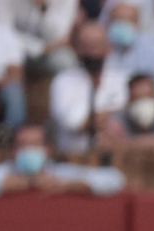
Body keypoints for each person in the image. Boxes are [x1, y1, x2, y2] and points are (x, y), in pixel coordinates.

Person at [0, 123, 127, 195]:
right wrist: (31, 182)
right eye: (22, 144)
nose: (29, 149)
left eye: (35, 144)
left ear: (48, 149)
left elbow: (115, 179)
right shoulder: (5, 170)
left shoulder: (61, 173)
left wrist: (68, 186)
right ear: (13, 151)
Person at [49, 20, 128, 155]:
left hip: (114, 156)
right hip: (73, 158)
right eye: (87, 46)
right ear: (78, 50)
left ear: (109, 48)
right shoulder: (63, 81)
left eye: (97, 45)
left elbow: (127, 118)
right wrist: (110, 116)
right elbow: (75, 124)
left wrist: (99, 120)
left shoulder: (121, 80)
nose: (93, 52)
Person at [103, 1, 154, 101]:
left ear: (137, 23)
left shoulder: (151, 49)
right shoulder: (100, 47)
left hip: (137, 103)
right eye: (118, 20)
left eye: (128, 20)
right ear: (109, 22)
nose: (122, 24)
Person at [0, 0, 78, 75]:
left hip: (50, 53)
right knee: (2, 62)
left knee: (67, 62)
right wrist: (39, 48)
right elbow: (4, 35)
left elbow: (58, 35)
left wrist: (42, 6)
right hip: (13, 51)